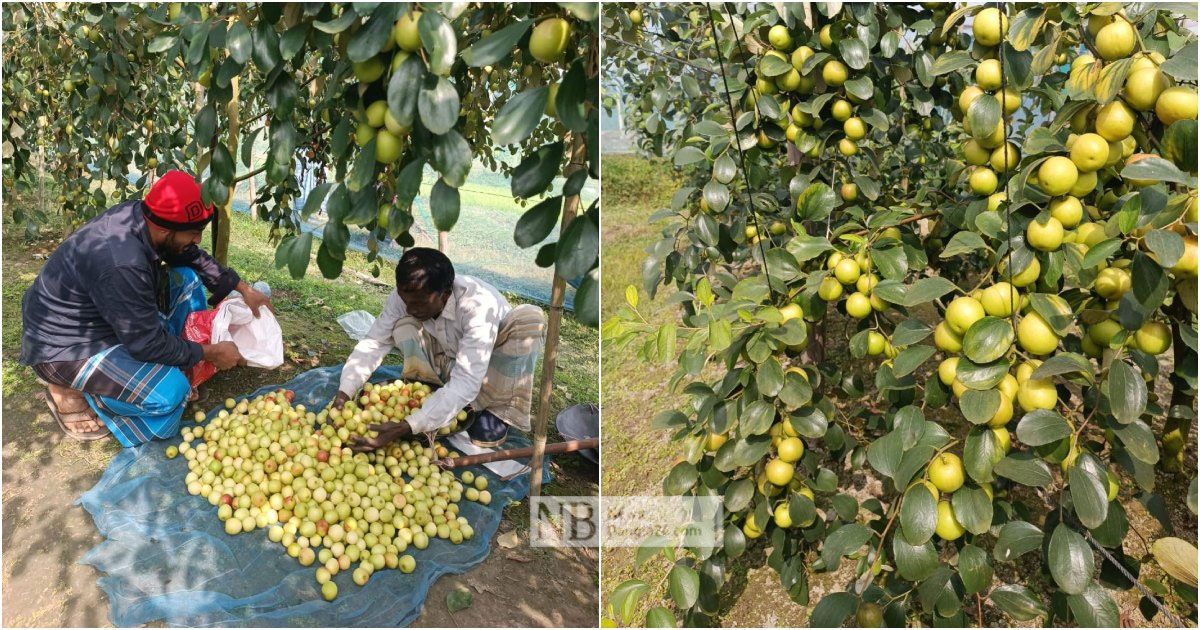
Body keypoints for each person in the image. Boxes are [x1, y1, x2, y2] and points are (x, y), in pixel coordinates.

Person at [20, 170, 273, 446]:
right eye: (194, 233)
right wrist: (211, 353)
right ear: (165, 230)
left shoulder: (142, 217)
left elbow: (191, 255)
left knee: (187, 278)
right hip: (64, 348)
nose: (198, 240)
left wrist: (243, 289)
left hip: (103, 319)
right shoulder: (122, 262)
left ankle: (170, 369)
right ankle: (81, 393)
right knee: (170, 398)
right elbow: (146, 343)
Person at [334, 247, 546, 451]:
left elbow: (467, 380)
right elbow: (375, 342)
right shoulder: (409, 297)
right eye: (405, 300)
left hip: (490, 367)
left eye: (418, 303)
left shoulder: (477, 306)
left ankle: (498, 411)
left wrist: (407, 426)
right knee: (402, 324)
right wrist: (345, 392)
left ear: (445, 294)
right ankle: (434, 392)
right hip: (449, 359)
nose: (410, 308)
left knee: (529, 319)